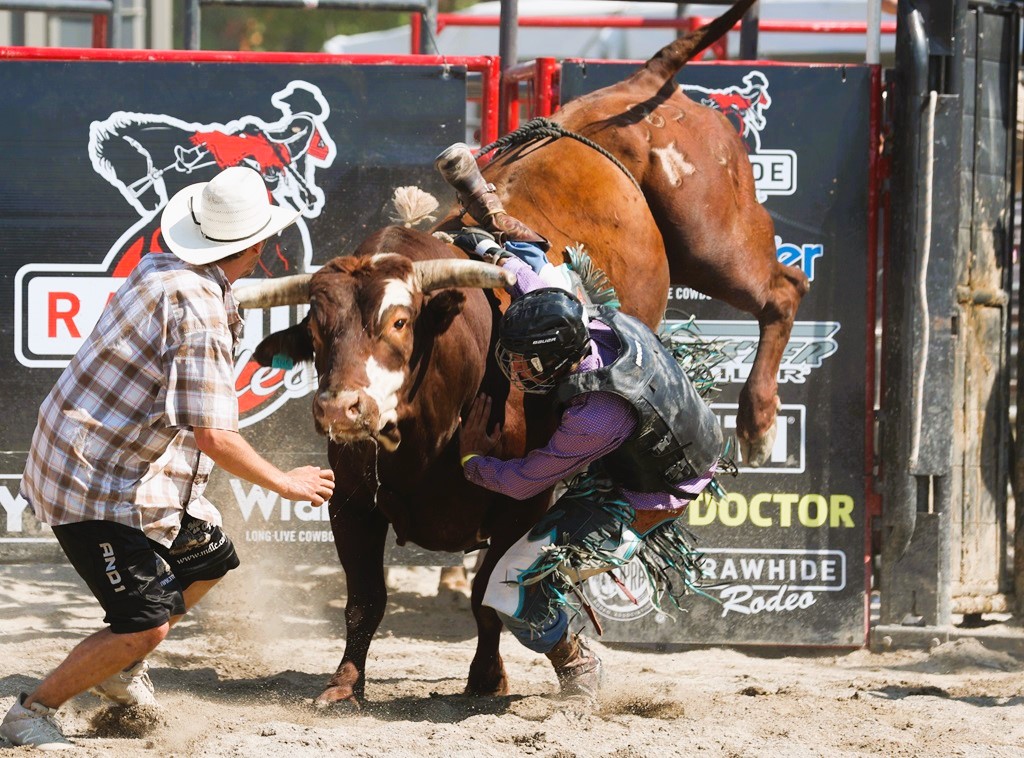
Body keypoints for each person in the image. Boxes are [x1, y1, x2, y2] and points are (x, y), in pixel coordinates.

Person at [0, 166, 336, 749]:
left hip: (105, 459)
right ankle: (33, 710)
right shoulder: (199, 310)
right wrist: (285, 483)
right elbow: (214, 436)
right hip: (91, 481)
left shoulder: (164, 266)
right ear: (257, 246)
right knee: (145, 624)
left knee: (209, 558)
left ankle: (118, 671)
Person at [453, 227, 726, 701]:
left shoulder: (596, 416)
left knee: (508, 589)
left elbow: (523, 482)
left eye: (523, 363)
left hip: (650, 492)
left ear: (554, 362)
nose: (513, 370)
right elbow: (534, 277)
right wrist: (490, 248)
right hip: (673, 435)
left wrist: (473, 460)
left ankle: (577, 663)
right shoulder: (578, 314)